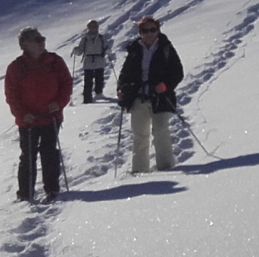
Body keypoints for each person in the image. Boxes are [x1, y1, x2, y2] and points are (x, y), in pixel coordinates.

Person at [4, 27, 72, 202]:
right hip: (28, 121)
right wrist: (22, 113)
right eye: (37, 40)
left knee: (50, 154)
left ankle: (52, 189)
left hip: (51, 118)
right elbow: (12, 95)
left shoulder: (54, 61)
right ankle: (25, 194)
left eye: (42, 39)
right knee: (27, 157)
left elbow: (66, 85)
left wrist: (58, 104)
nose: (42, 42)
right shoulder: (16, 67)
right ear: (25, 45)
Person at [116, 16, 184, 173]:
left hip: (161, 97)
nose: (149, 34)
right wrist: (121, 88)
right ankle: (140, 171)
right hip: (138, 97)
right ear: (140, 32)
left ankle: (166, 167)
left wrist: (165, 85)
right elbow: (125, 73)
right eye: (145, 30)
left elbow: (177, 72)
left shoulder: (166, 48)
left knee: (160, 131)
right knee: (140, 136)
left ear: (158, 30)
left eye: (153, 30)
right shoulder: (134, 49)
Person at [71, 19, 113, 104]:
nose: (93, 28)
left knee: (99, 79)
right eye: (91, 26)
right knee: (88, 81)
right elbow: (81, 50)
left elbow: (107, 47)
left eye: (95, 26)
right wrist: (76, 51)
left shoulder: (101, 38)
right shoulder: (85, 39)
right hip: (89, 61)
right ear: (88, 28)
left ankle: (99, 94)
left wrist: (108, 50)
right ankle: (87, 99)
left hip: (99, 60)